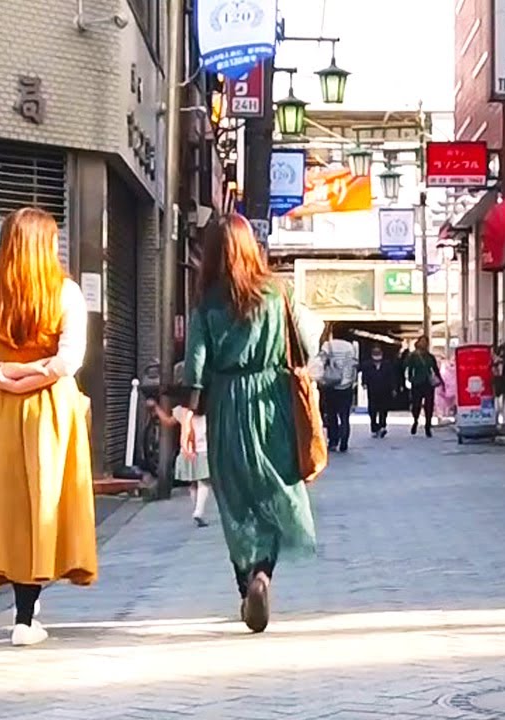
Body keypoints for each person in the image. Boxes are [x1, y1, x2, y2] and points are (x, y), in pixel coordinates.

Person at [0, 206, 97, 648]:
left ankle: (24, 611)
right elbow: (70, 360)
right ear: (44, 245)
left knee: (8, 503)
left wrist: (5, 375)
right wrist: (35, 374)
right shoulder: (66, 293)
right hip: (51, 407)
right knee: (47, 501)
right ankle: (26, 615)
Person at [183, 213, 322, 633]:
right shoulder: (279, 291)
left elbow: (196, 365)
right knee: (274, 489)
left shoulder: (207, 301)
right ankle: (265, 572)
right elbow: (308, 342)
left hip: (227, 403)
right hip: (273, 401)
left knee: (235, 499)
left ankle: (246, 582)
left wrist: (190, 413)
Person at [152, 387, 212, 527]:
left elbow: (168, 422)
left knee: (192, 483)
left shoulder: (181, 411)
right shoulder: (209, 412)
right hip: (203, 451)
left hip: (186, 452)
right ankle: (199, 511)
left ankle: (197, 510)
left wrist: (156, 408)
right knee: (204, 482)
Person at [317, 326, 359, 452]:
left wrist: (320, 378)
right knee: (345, 416)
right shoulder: (351, 347)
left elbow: (320, 362)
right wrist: (352, 381)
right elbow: (354, 366)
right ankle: (344, 442)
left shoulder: (327, 345)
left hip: (331, 385)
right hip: (346, 386)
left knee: (331, 415)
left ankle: (333, 441)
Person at [404, 335, 442, 437]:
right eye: (422, 341)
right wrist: (410, 379)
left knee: (429, 405)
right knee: (416, 404)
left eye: (426, 342)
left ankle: (427, 426)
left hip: (428, 384)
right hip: (417, 383)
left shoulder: (430, 357)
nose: (424, 344)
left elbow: (435, 369)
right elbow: (407, 368)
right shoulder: (413, 356)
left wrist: (440, 380)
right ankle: (415, 420)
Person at [361, 345, 399, 438]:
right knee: (372, 409)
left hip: (385, 389)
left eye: (378, 352)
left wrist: (394, 388)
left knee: (383, 409)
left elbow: (392, 377)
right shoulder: (367, 365)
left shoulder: (387, 364)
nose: (377, 354)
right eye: (375, 352)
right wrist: (364, 383)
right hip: (372, 390)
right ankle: (374, 427)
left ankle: (382, 426)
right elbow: (364, 376)